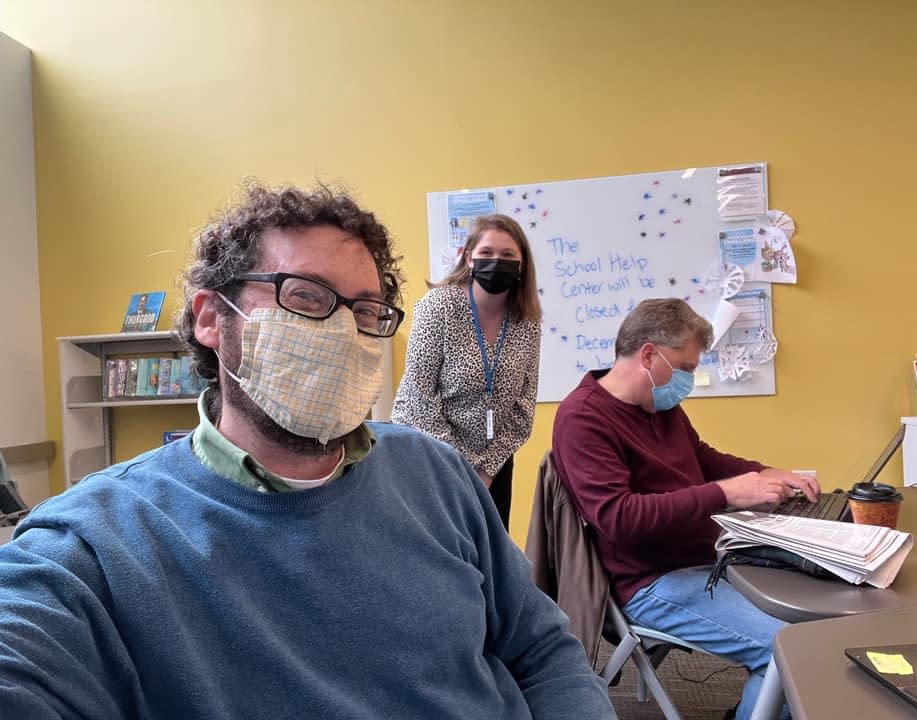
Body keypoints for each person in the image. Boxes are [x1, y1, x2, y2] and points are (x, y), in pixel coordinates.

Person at [0, 181, 615, 720]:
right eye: (305, 296)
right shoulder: (97, 544)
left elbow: (542, 649)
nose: (343, 330)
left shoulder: (434, 475)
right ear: (213, 318)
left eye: (367, 310)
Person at [552, 298, 819, 720]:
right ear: (648, 355)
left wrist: (766, 473)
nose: (689, 379)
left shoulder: (659, 405)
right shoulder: (582, 419)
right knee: (788, 651)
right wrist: (726, 493)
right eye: (687, 368)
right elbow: (619, 519)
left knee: (816, 622)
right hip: (649, 582)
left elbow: (702, 458)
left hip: (706, 561)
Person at [391, 214, 541, 531]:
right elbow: (416, 398)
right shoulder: (439, 306)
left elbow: (523, 408)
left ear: (522, 265)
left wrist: (486, 470)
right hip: (433, 459)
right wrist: (462, 468)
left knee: (489, 560)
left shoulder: (526, 321)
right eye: (486, 253)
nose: (496, 261)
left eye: (507, 256)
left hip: (494, 466)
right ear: (469, 257)